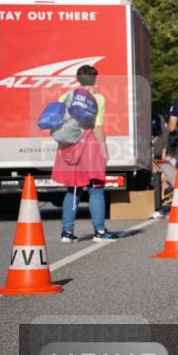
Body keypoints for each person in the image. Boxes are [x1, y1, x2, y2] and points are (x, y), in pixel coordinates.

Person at [52, 64, 119, 242]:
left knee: (72, 189)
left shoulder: (65, 96)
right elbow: (97, 126)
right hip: (88, 145)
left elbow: (57, 122)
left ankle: (67, 233)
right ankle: (100, 232)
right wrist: (104, 151)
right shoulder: (97, 98)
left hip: (68, 146)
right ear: (94, 79)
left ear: (78, 78)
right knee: (96, 188)